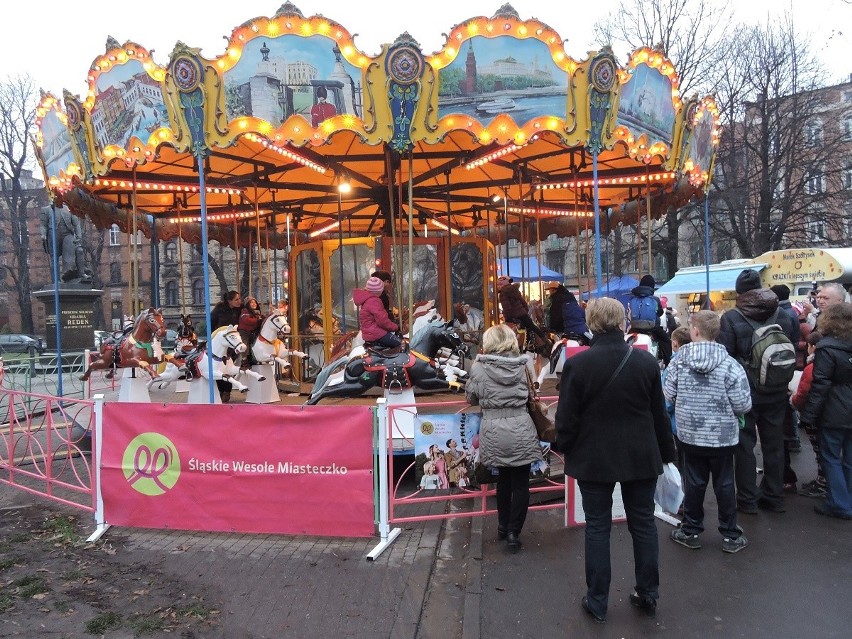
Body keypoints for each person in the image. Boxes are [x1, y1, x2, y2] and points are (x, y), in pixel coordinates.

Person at [555, 297, 676, 622]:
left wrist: (564, 445)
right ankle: (648, 593)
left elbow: (567, 419)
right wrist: (667, 455)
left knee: (597, 527)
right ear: (623, 322)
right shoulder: (646, 363)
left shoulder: (578, 365)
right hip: (640, 453)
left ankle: (597, 601)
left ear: (591, 324)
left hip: (594, 456)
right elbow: (658, 416)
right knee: (644, 523)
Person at [664, 311, 753, 554]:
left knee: (693, 482)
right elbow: (743, 404)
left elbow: (668, 394)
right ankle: (730, 534)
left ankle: (691, 530)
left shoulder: (678, 362)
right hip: (723, 436)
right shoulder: (730, 364)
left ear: (694, 331)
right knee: (725, 483)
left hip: (690, 435)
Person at [718, 268, 798, 514]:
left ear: (739, 292)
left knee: (744, 445)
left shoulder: (731, 317)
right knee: (774, 444)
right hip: (776, 389)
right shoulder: (784, 314)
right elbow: (791, 348)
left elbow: (727, 357)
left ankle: (747, 499)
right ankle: (774, 496)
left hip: (746, 391)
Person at [465, 323, 544, 553]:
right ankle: (513, 532)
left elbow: (471, 398)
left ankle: (501, 526)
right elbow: (532, 394)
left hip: (493, 429)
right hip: (521, 427)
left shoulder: (479, 368)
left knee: (503, 481)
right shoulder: (524, 365)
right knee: (520, 483)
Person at [797, 304, 852, 520]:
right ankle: (846, 498)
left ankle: (839, 503)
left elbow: (820, 384)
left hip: (834, 409)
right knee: (848, 458)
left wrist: (809, 415)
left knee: (830, 457)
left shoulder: (827, 348)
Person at [791, 331, 827, 498]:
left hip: (814, 413)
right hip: (830, 412)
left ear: (812, 347)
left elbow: (804, 391)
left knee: (820, 449)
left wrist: (794, 401)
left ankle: (822, 482)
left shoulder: (812, 367)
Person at [39, 203, 92, 283]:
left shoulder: (69, 209)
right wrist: (43, 234)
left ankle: (69, 273)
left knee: (76, 251)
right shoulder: (46, 210)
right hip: (53, 234)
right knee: (54, 258)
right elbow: (43, 225)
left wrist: (79, 236)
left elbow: (76, 224)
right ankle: (56, 280)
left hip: (67, 234)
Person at [628, 275, 672, 366]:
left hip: (635, 328)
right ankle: (668, 364)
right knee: (666, 341)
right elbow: (660, 313)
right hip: (652, 328)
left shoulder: (633, 298)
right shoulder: (655, 299)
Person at [496, 275, 550, 349]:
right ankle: (546, 341)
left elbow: (507, 307)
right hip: (522, 314)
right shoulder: (515, 290)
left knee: (505, 331)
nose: (498, 287)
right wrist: (525, 311)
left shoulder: (503, 293)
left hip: (513, 316)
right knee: (532, 327)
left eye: (499, 285)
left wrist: (508, 318)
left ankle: (511, 347)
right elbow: (523, 302)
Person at [210, 290, 242, 402]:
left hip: (232, 344)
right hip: (220, 342)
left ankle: (227, 391)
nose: (239, 301)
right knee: (218, 367)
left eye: (239, 299)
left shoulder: (239, 310)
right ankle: (220, 390)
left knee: (228, 367)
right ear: (229, 301)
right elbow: (211, 323)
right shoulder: (219, 311)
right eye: (236, 300)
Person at [353, 276, 401, 348]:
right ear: (380, 291)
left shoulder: (367, 300)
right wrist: (395, 327)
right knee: (401, 343)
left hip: (369, 333)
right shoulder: (374, 301)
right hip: (376, 334)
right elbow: (382, 321)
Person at [237, 296, 264, 370]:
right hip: (244, 331)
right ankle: (244, 359)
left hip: (253, 331)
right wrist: (257, 320)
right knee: (244, 344)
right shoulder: (245, 311)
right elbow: (247, 320)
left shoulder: (257, 313)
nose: (254, 304)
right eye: (251, 302)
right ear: (247, 304)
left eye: (255, 302)